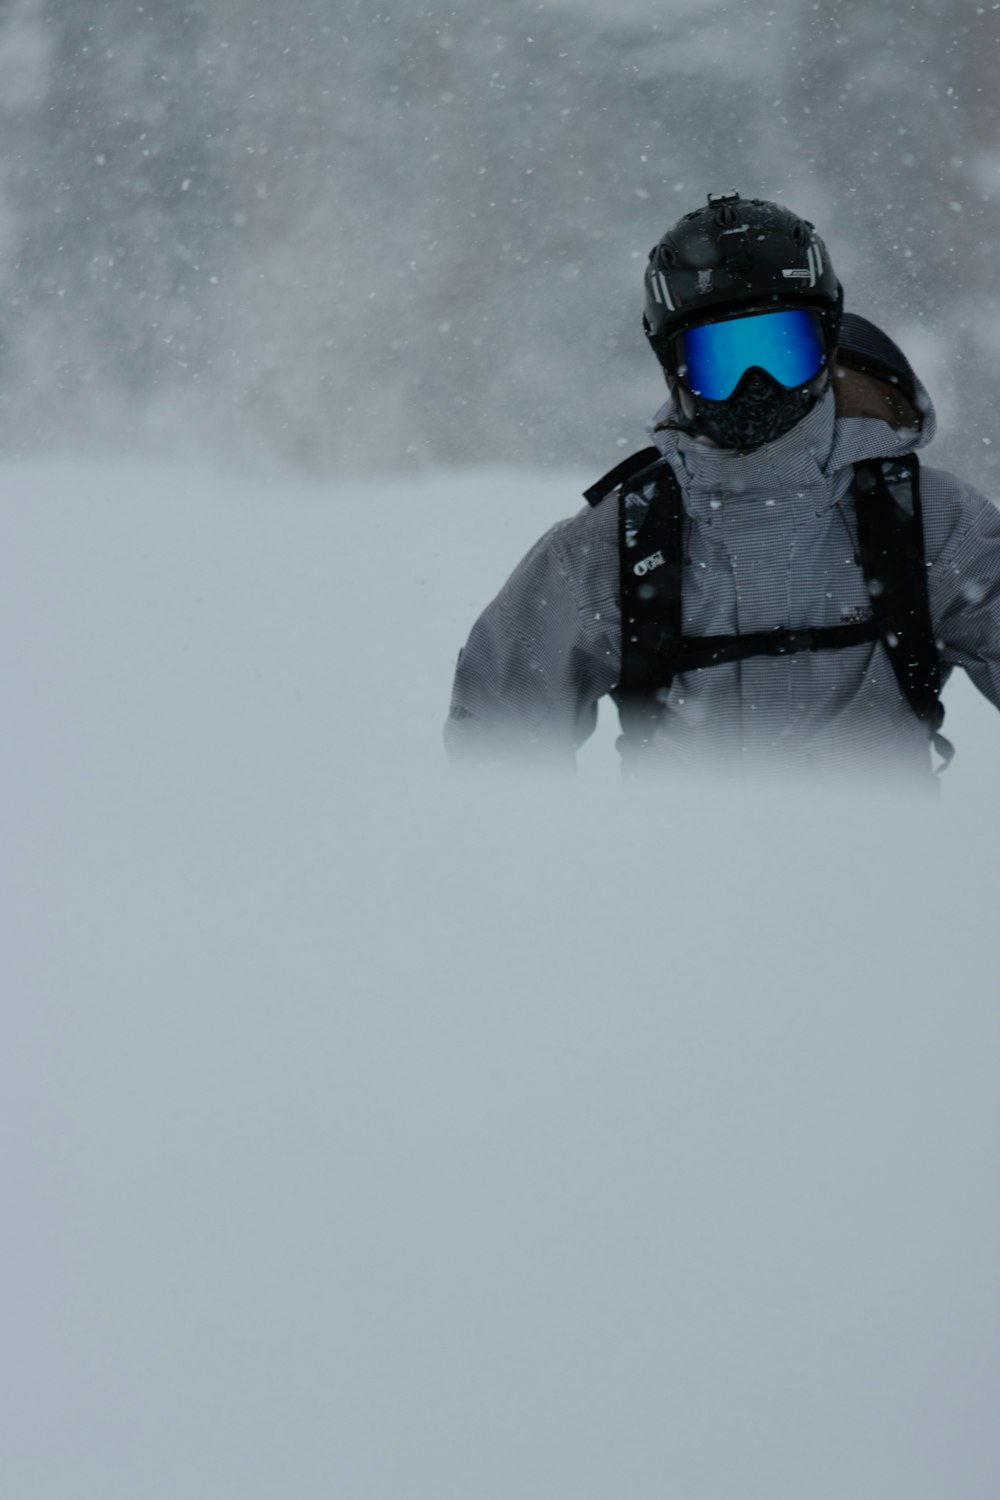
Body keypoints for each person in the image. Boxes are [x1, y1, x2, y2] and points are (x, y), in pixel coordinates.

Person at [444, 191, 1000, 781]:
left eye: (783, 349)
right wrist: (557, 867)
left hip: (890, 868)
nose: (756, 384)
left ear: (829, 341)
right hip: (682, 870)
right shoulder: (619, 544)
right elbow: (497, 748)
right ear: (671, 365)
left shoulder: (930, 523)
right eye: (720, 359)